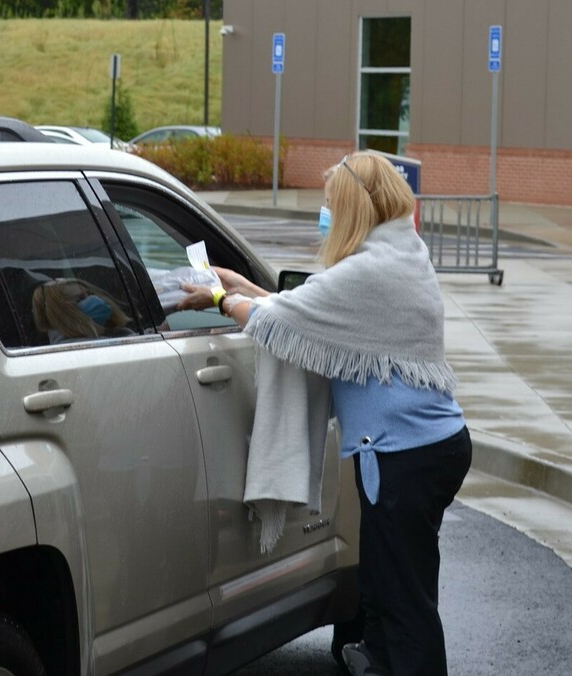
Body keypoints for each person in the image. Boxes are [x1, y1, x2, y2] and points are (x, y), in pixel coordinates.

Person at [179, 151, 471, 676]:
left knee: (405, 600)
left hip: (401, 455)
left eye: (331, 204)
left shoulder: (368, 272)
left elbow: (288, 318)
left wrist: (223, 300)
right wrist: (241, 286)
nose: (324, 213)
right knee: (392, 580)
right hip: (431, 446)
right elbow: (309, 313)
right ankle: (378, 660)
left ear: (354, 208)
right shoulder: (402, 252)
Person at [31, 277, 135, 344]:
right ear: (61, 314)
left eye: (89, 294)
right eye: (80, 298)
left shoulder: (115, 334)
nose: (94, 300)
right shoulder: (80, 348)